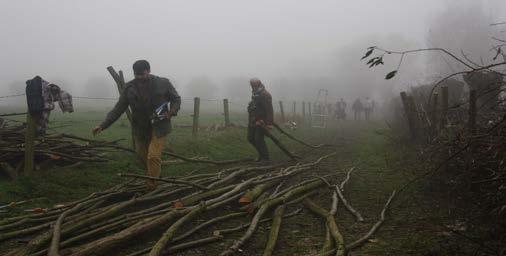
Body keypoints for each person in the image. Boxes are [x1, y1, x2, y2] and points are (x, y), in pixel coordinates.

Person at [92, 60, 181, 189]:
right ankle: (154, 176)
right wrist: (102, 125)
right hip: (140, 128)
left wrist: (172, 111)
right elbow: (119, 108)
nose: (139, 77)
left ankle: (152, 186)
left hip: (160, 125)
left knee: (153, 157)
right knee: (142, 156)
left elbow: (176, 99)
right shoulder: (129, 87)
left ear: (149, 71)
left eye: (142, 74)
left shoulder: (163, 83)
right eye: (136, 75)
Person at [247, 78, 274, 163]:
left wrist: (269, 123)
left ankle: (265, 158)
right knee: (250, 138)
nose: (252, 86)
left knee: (258, 139)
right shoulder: (255, 93)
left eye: (253, 85)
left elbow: (269, 110)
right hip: (253, 120)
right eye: (251, 85)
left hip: (261, 121)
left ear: (258, 84)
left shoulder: (265, 94)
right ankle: (261, 155)